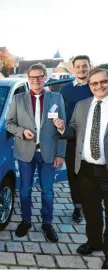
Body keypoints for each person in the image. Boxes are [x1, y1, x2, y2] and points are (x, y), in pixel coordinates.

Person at [54, 68, 108, 268]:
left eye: (103, 82)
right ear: (89, 86)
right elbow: (72, 131)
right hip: (85, 168)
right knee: (91, 211)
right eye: (94, 83)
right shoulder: (82, 105)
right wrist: (61, 127)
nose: (99, 86)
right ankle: (94, 242)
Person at [6, 63, 66, 242]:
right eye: (33, 77)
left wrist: (60, 154)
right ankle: (26, 220)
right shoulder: (18, 99)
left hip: (48, 154)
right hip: (26, 153)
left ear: (45, 78)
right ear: (28, 79)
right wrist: (22, 132)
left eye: (40, 77)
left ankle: (47, 223)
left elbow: (64, 129)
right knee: (25, 190)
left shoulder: (56, 99)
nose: (36, 80)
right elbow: (9, 124)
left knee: (48, 192)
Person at [59, 55, 93, 223]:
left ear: (89, 66)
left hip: (94, 139)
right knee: (74, 175)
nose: (81, 69)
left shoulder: (95, 87)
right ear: (73, 69)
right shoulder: (65, 90)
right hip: (72, 140)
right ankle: (78, 208)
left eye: (84, 66)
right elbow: (60, 114)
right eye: (78, 66)